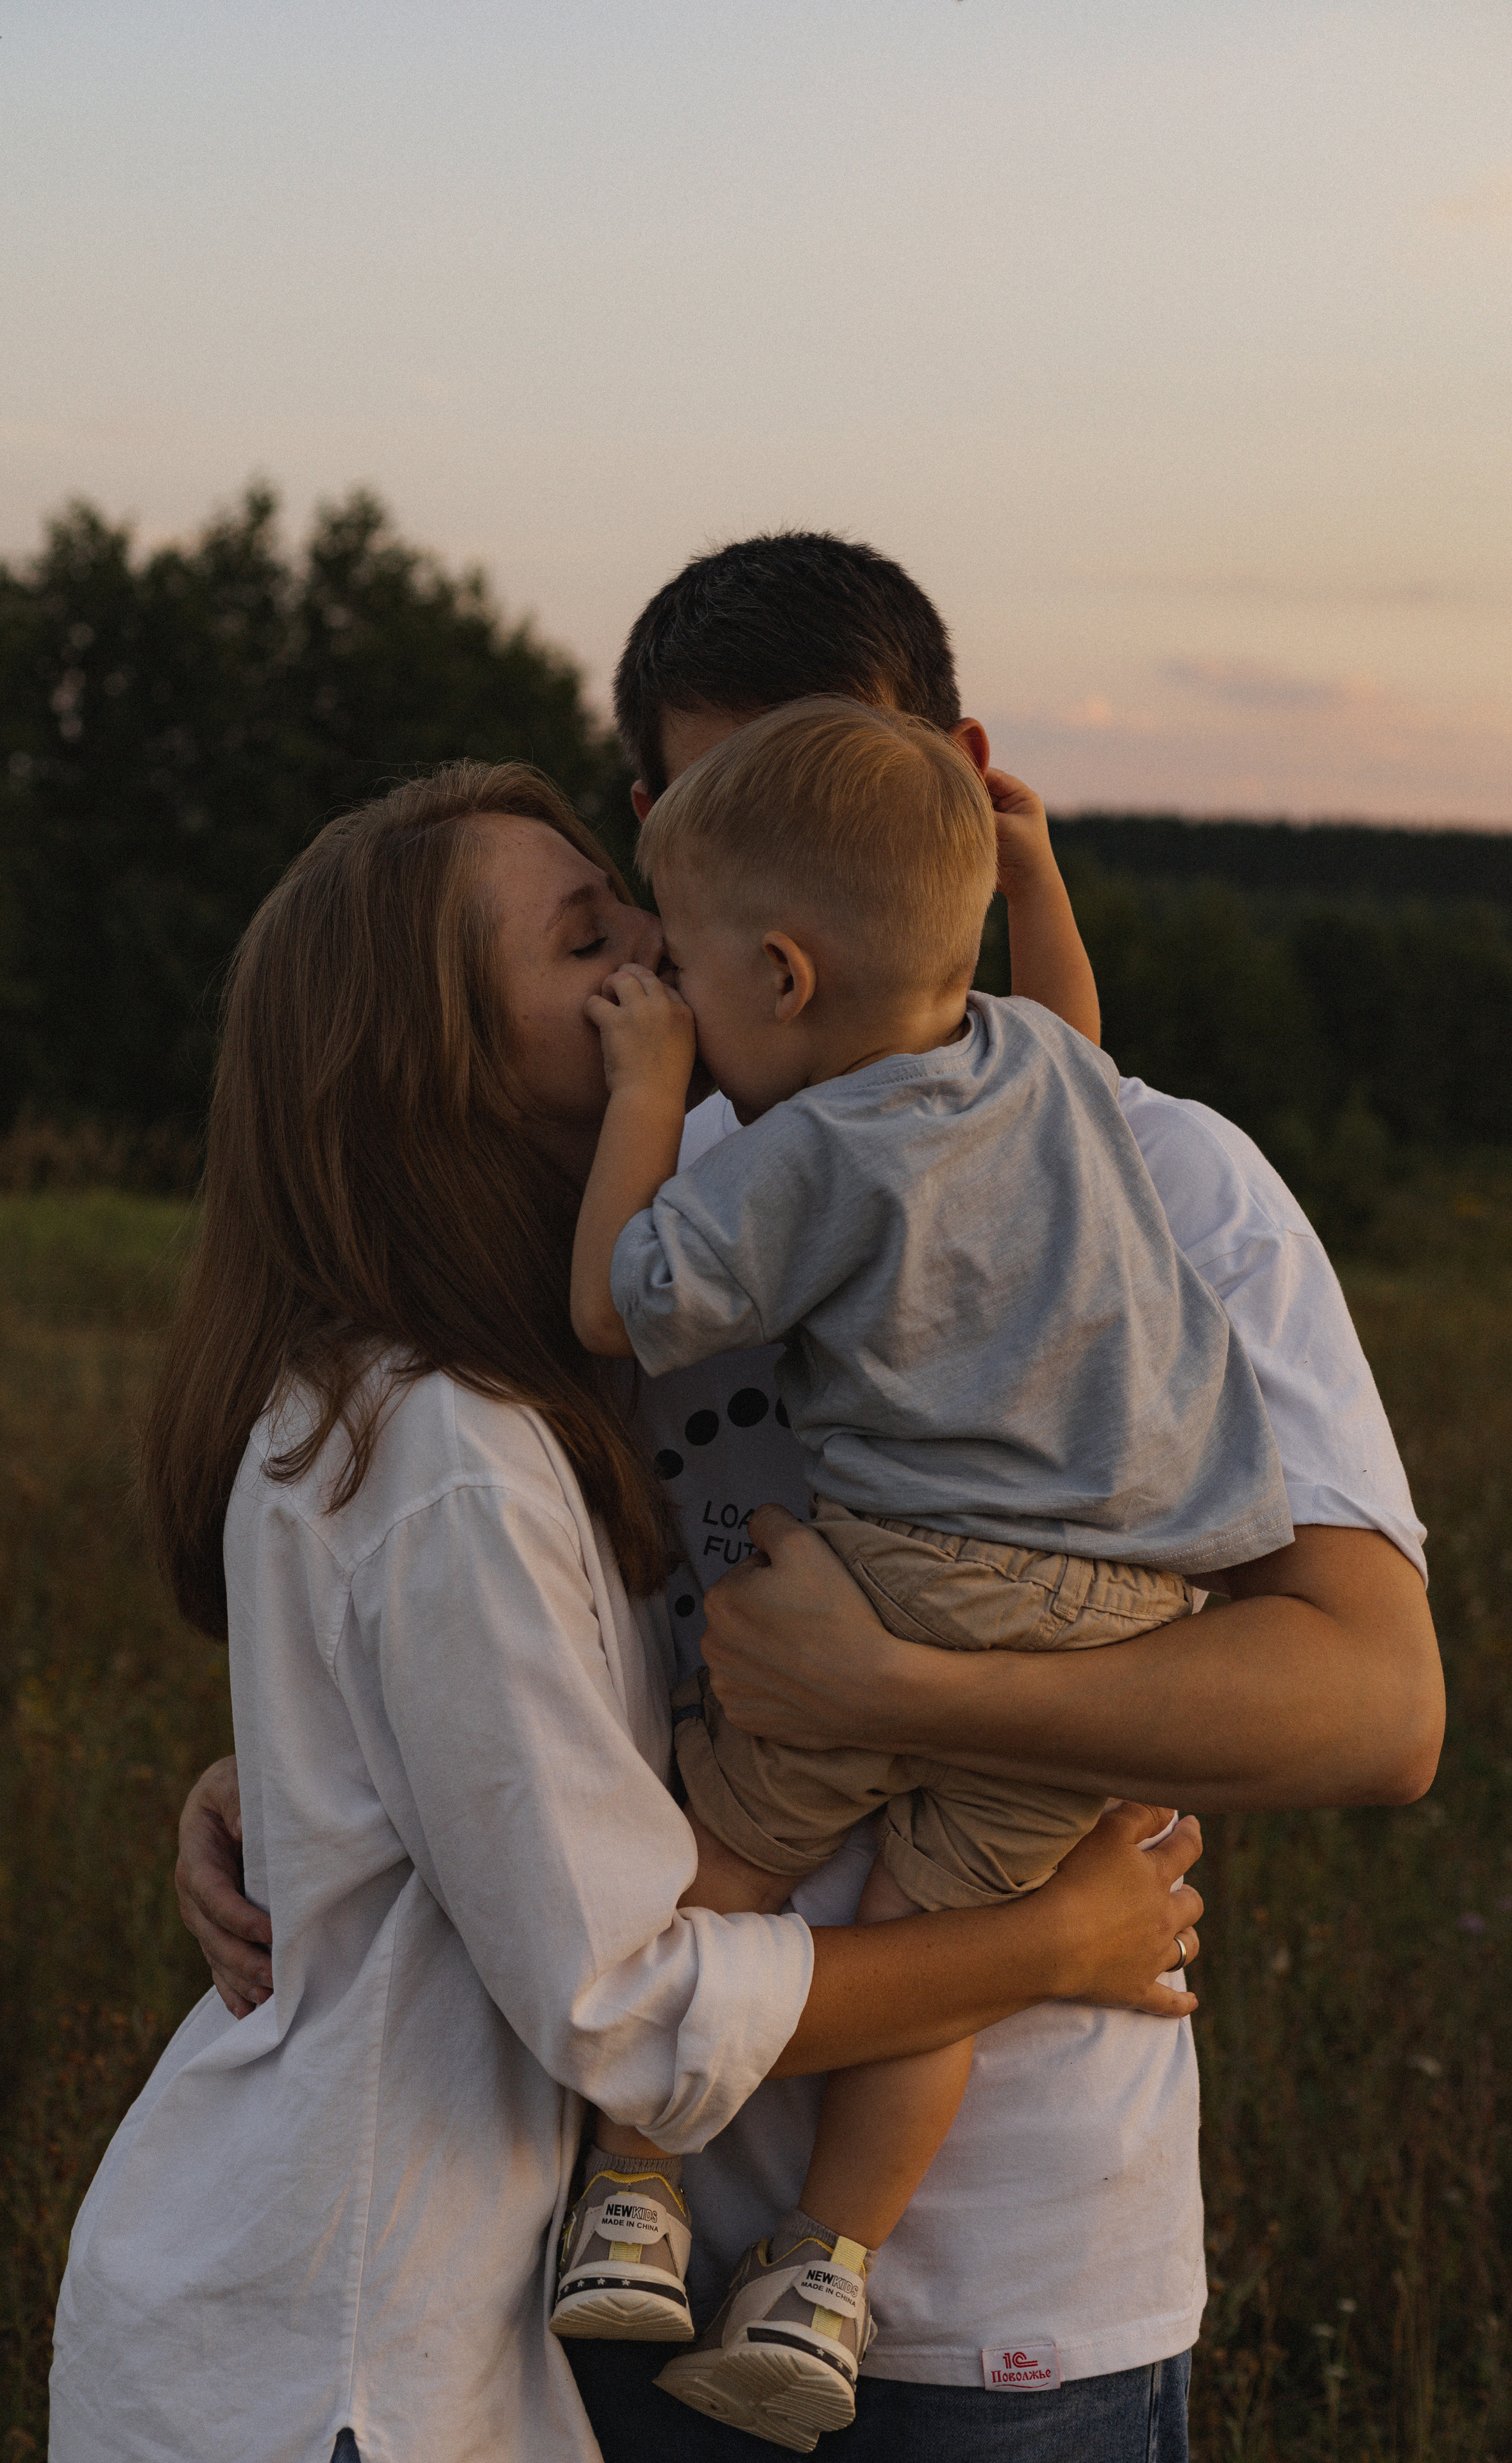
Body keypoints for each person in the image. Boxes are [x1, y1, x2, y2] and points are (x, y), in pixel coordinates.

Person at [177, 533, 1442, 2461]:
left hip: (1022, 2308)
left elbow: (1377, 1709)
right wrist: (296, 1778)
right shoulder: (605, 1165)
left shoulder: (1168, 1182)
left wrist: (904, 1696)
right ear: (664, 849)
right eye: (723, 824)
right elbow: (474, 1603)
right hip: (597, 2277)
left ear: (957, 784)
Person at [51, 759, 1204, 2463]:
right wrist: (1053, 1945)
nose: (664, 957)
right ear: (439, 1071)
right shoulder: (450, 1444)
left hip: (398, 2333)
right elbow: (621, 2009)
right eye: (593, 937)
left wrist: (288, 1796)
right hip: (338, 2370)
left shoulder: (505, 1389)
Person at [554, 697, 1294, 2447]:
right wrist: (1034, 878)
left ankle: (638, 2191)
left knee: (726, 1851)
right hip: (1124, 1602)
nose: (684, 1001)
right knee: (946, 1944)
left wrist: (649, 1086)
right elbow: (1072, 1023)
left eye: (702, 978)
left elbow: (611, 1306)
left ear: (787, 980)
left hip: (906, 1587)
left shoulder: (810, 1152)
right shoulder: (1036, 1074)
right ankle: (826, 2274)